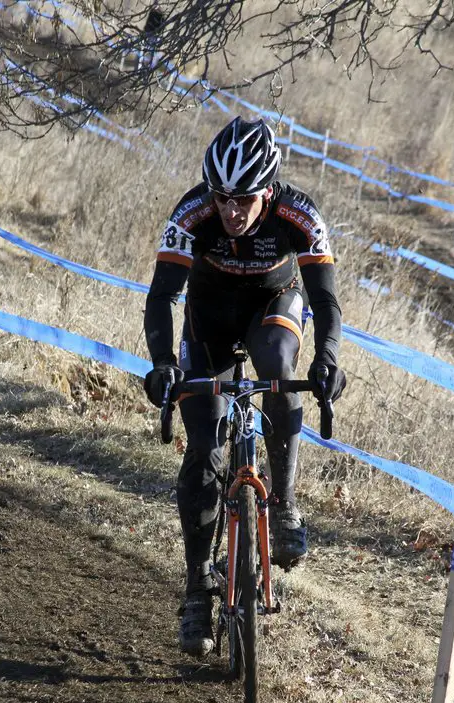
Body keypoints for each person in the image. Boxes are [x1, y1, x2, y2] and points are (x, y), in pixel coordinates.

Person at [143, 116, 346, 657]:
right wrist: (163, 363)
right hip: (207, 323)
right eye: (223, 198)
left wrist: (326, 359)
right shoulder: (193, 212)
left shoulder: (297, 214)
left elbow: (325, 302)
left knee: (280, 366)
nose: (232, 211)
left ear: (269, 189)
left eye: (245, 199)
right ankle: (196, 592)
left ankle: (282, 503)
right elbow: (162, 296)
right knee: (204, 450)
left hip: (271, 309)